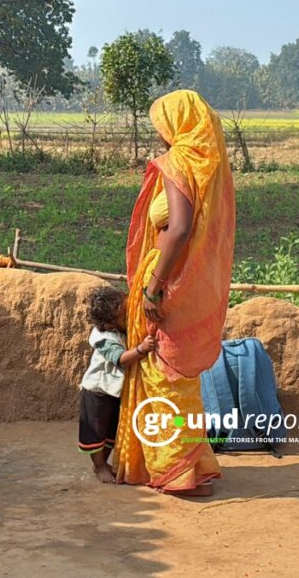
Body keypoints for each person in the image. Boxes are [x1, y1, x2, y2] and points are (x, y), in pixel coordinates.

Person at [113, 90, 235, 497]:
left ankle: (174, 469)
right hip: (189, 281)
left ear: (177, 125)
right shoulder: (209, 167)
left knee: (159, 371)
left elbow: (179, 230)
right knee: (179, 376)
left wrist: (152, 289)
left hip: (166, 283)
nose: (159, 133)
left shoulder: (178, 163)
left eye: (161, 124)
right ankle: (193, 463)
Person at [79, 286, 157, 484]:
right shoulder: (105, 339)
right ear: (111, 322)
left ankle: (104, 462)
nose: (130, 315)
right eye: (125, 314)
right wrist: (141, 350)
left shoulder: (120, 331)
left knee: (111, 431)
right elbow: (120, 359)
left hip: (112, 393)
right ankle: (98, 466)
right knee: (96, 432)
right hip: (97, 392)